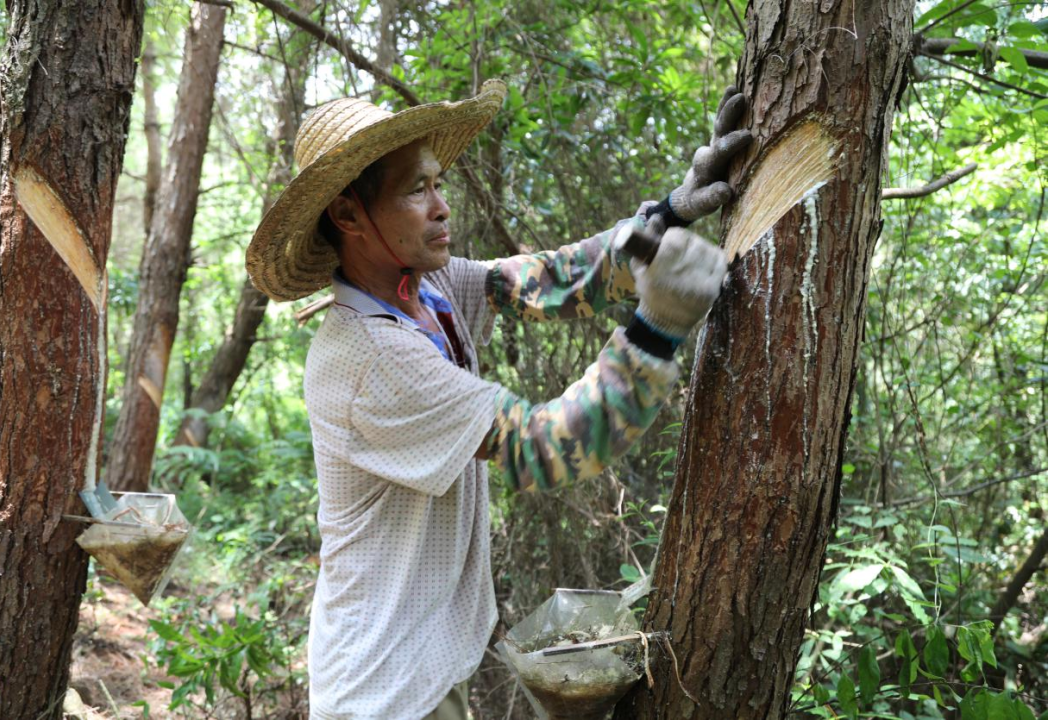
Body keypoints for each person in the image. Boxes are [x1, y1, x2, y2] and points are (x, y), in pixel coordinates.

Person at [246, 79, 749, 720]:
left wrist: (668, 213)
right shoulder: (369, 356)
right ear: (348, 216)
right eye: (415, 190)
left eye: (437, 183)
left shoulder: (425, 290)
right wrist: (656, 328)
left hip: (421, 665)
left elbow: (548, 279)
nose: (441, 205)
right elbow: (548, 447)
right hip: (383, 690)